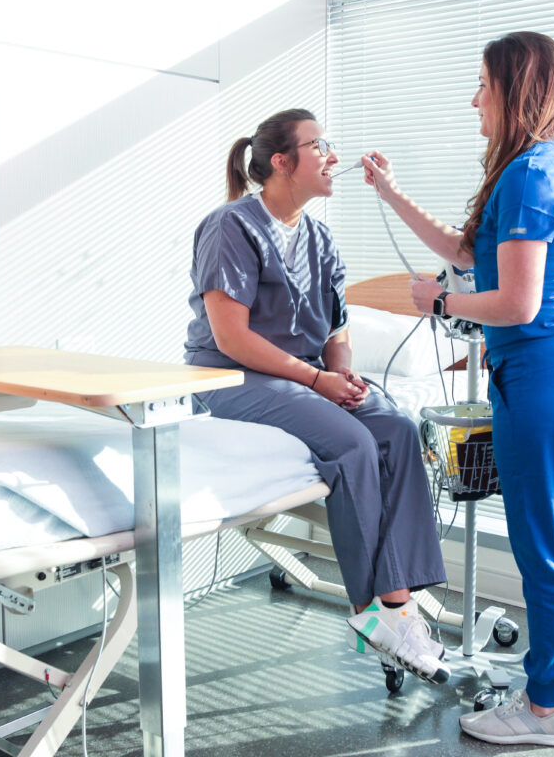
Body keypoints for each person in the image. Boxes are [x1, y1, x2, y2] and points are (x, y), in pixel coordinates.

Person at [361, 32, 554, 746]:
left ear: (514, 90)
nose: (475, 100)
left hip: (545, 378)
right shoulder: (549, 165)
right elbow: (470, 253)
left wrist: (440, 303)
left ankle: (544, 708)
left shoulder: (528, 175)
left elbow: (517, 303)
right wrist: (389, 191)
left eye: (483, 87)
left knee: (543, 545)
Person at [184, 108, 451, 684]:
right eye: (319, 145)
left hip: (301, 374)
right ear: (282, 163)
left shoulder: (320, 235)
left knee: (399, 428)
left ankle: (396, 612)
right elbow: (231, 336)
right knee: (354, 443)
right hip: (229, 377)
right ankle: (371, 611)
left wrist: (343, 374)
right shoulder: (229, 226)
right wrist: (315, 383)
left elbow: (336, 326)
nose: (334, 155)